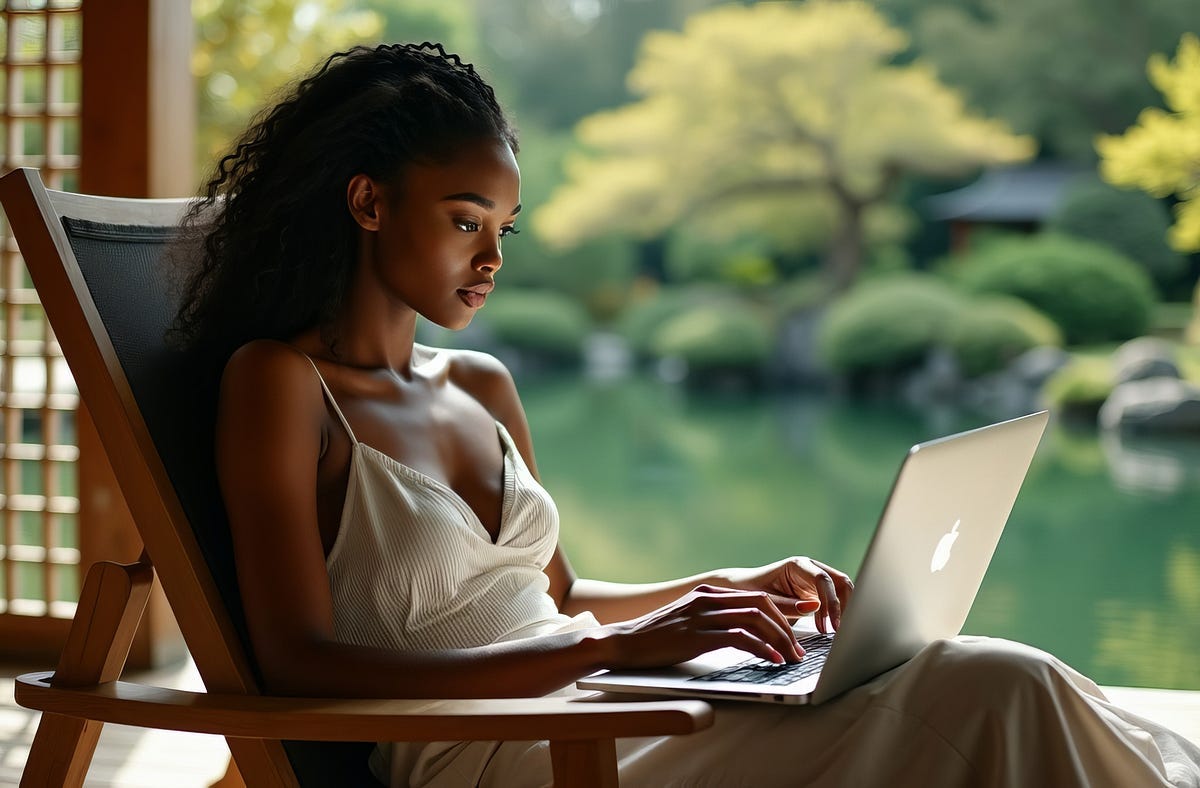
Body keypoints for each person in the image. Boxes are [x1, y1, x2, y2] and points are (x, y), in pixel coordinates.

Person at [172, 42, 1200, 787]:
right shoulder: (280, 383)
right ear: (366, 203)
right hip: (492, 747)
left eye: (505, 227)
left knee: (984, 675)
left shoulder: (479, 385)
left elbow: (559, 592)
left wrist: (717, 589)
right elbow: (295, 659)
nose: (493, 257)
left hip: (596, 706)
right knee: (992, 691)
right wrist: (608, 653)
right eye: (463, 221)